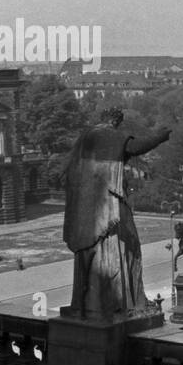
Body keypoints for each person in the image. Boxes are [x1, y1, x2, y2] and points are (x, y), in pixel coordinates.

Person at [62, 108, 170, 318]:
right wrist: (160, 136)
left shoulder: (86, 136)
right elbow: (135, 147)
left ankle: (91, 303)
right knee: (128, 247)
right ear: (115, 121)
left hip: (86, 210)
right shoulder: (108, 134)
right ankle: (121, 301)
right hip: (107, 204)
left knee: (92, 255)